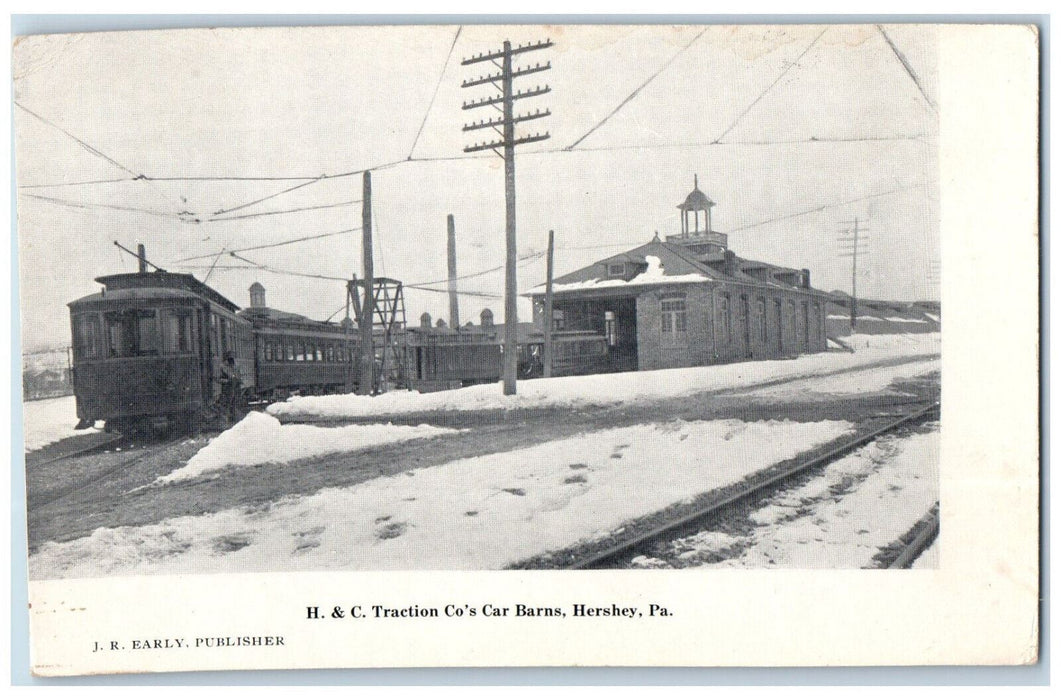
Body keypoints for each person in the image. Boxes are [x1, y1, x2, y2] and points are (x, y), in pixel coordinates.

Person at [219, 352, 242, 424]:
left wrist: (238, 380)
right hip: (227, 389)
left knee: (235, 405)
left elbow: (239, 376)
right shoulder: (223, 367)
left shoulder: (236, 366)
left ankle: (234, 421)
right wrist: (227, 381)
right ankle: (225, 422)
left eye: (232, 359)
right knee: (226, 406)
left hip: (235, 388)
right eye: (230, 359)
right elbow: (219, 379)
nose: (231, 361)